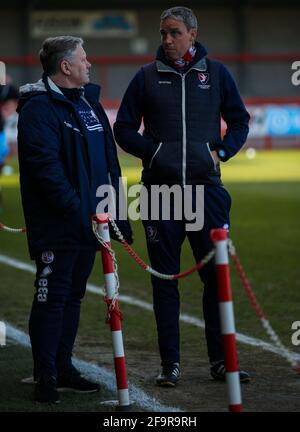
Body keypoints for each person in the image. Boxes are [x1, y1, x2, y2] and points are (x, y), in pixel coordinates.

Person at [114, 7, 250, 387]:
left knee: (215, 279)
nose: (167, 40)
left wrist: (220, 153)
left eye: (174, 33)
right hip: (160, 194)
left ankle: (221, 361)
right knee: (165, 281)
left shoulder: (218, 74)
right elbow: (123, 128)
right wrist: (155, 154)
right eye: (162, 34)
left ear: (193, 33)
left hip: (208, 192)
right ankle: (169, 364)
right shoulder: (145, 77)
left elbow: (240, 121)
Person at [17, 36, 132, 403]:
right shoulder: (38, 110)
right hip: (60, 226)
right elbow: (45, 169)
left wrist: (118, 215)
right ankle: (45, 375)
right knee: (52, 297)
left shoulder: (89, 104)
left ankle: (63, 367)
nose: (90, 64)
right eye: (84, 59)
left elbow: (110, 165)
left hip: (92, 225)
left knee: (73, 298)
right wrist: (78, 212)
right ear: (65, 67)